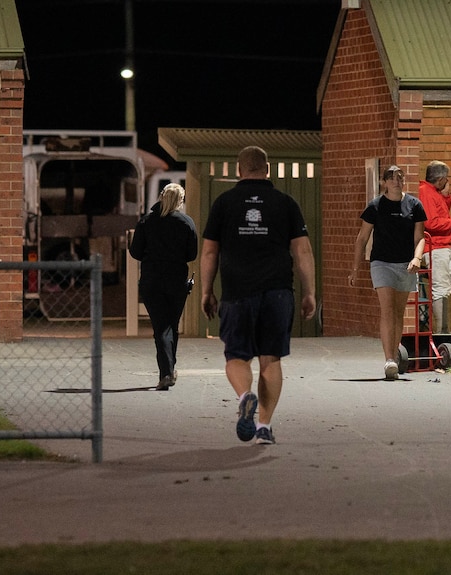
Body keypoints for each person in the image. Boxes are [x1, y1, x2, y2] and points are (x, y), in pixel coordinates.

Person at [200, 146, 316, 445]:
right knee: (271, 359)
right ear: (267, 169)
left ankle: (244, 395)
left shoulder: (224, 203)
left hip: (237, 291)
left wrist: (206, 290)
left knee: (237, 356)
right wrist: (309, 292)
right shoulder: (285, 203)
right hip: (278, 291)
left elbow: (210, 251)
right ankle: (264, 426)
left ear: (239, 170)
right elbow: (302, 250)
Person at [349, 165, 427, 380]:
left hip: (406, 263)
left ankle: (393, 356)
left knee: (398, 311)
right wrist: (355, 268)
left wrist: (417, 258)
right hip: (381, 262)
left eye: (400, 177)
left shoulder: (414, 205)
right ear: (384, 182)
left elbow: (420, 237)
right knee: (387, 308)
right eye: (391, 178)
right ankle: (388, 359)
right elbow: (362, 238)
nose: (396, 181)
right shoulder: (375, 206)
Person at [129, 183, 198, 391]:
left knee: (161, 327)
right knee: (171, 326)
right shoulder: (186, 222)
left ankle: (167, 372)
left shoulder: (146, 222)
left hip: (152, 281)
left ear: (161, 197)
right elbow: (191, 254)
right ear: (180, 201)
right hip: (176, 281)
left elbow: (135, 252)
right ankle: (169, 371)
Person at [418, 161, 451, 333]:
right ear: (440, 179)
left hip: (444, 247)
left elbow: (441, 212)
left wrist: (445, 196)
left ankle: (442, 330)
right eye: (446, 179)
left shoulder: (434, 193)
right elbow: (431, 222)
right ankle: (441, 332)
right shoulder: (426, 192)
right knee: (440, 289)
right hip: (435, 248)